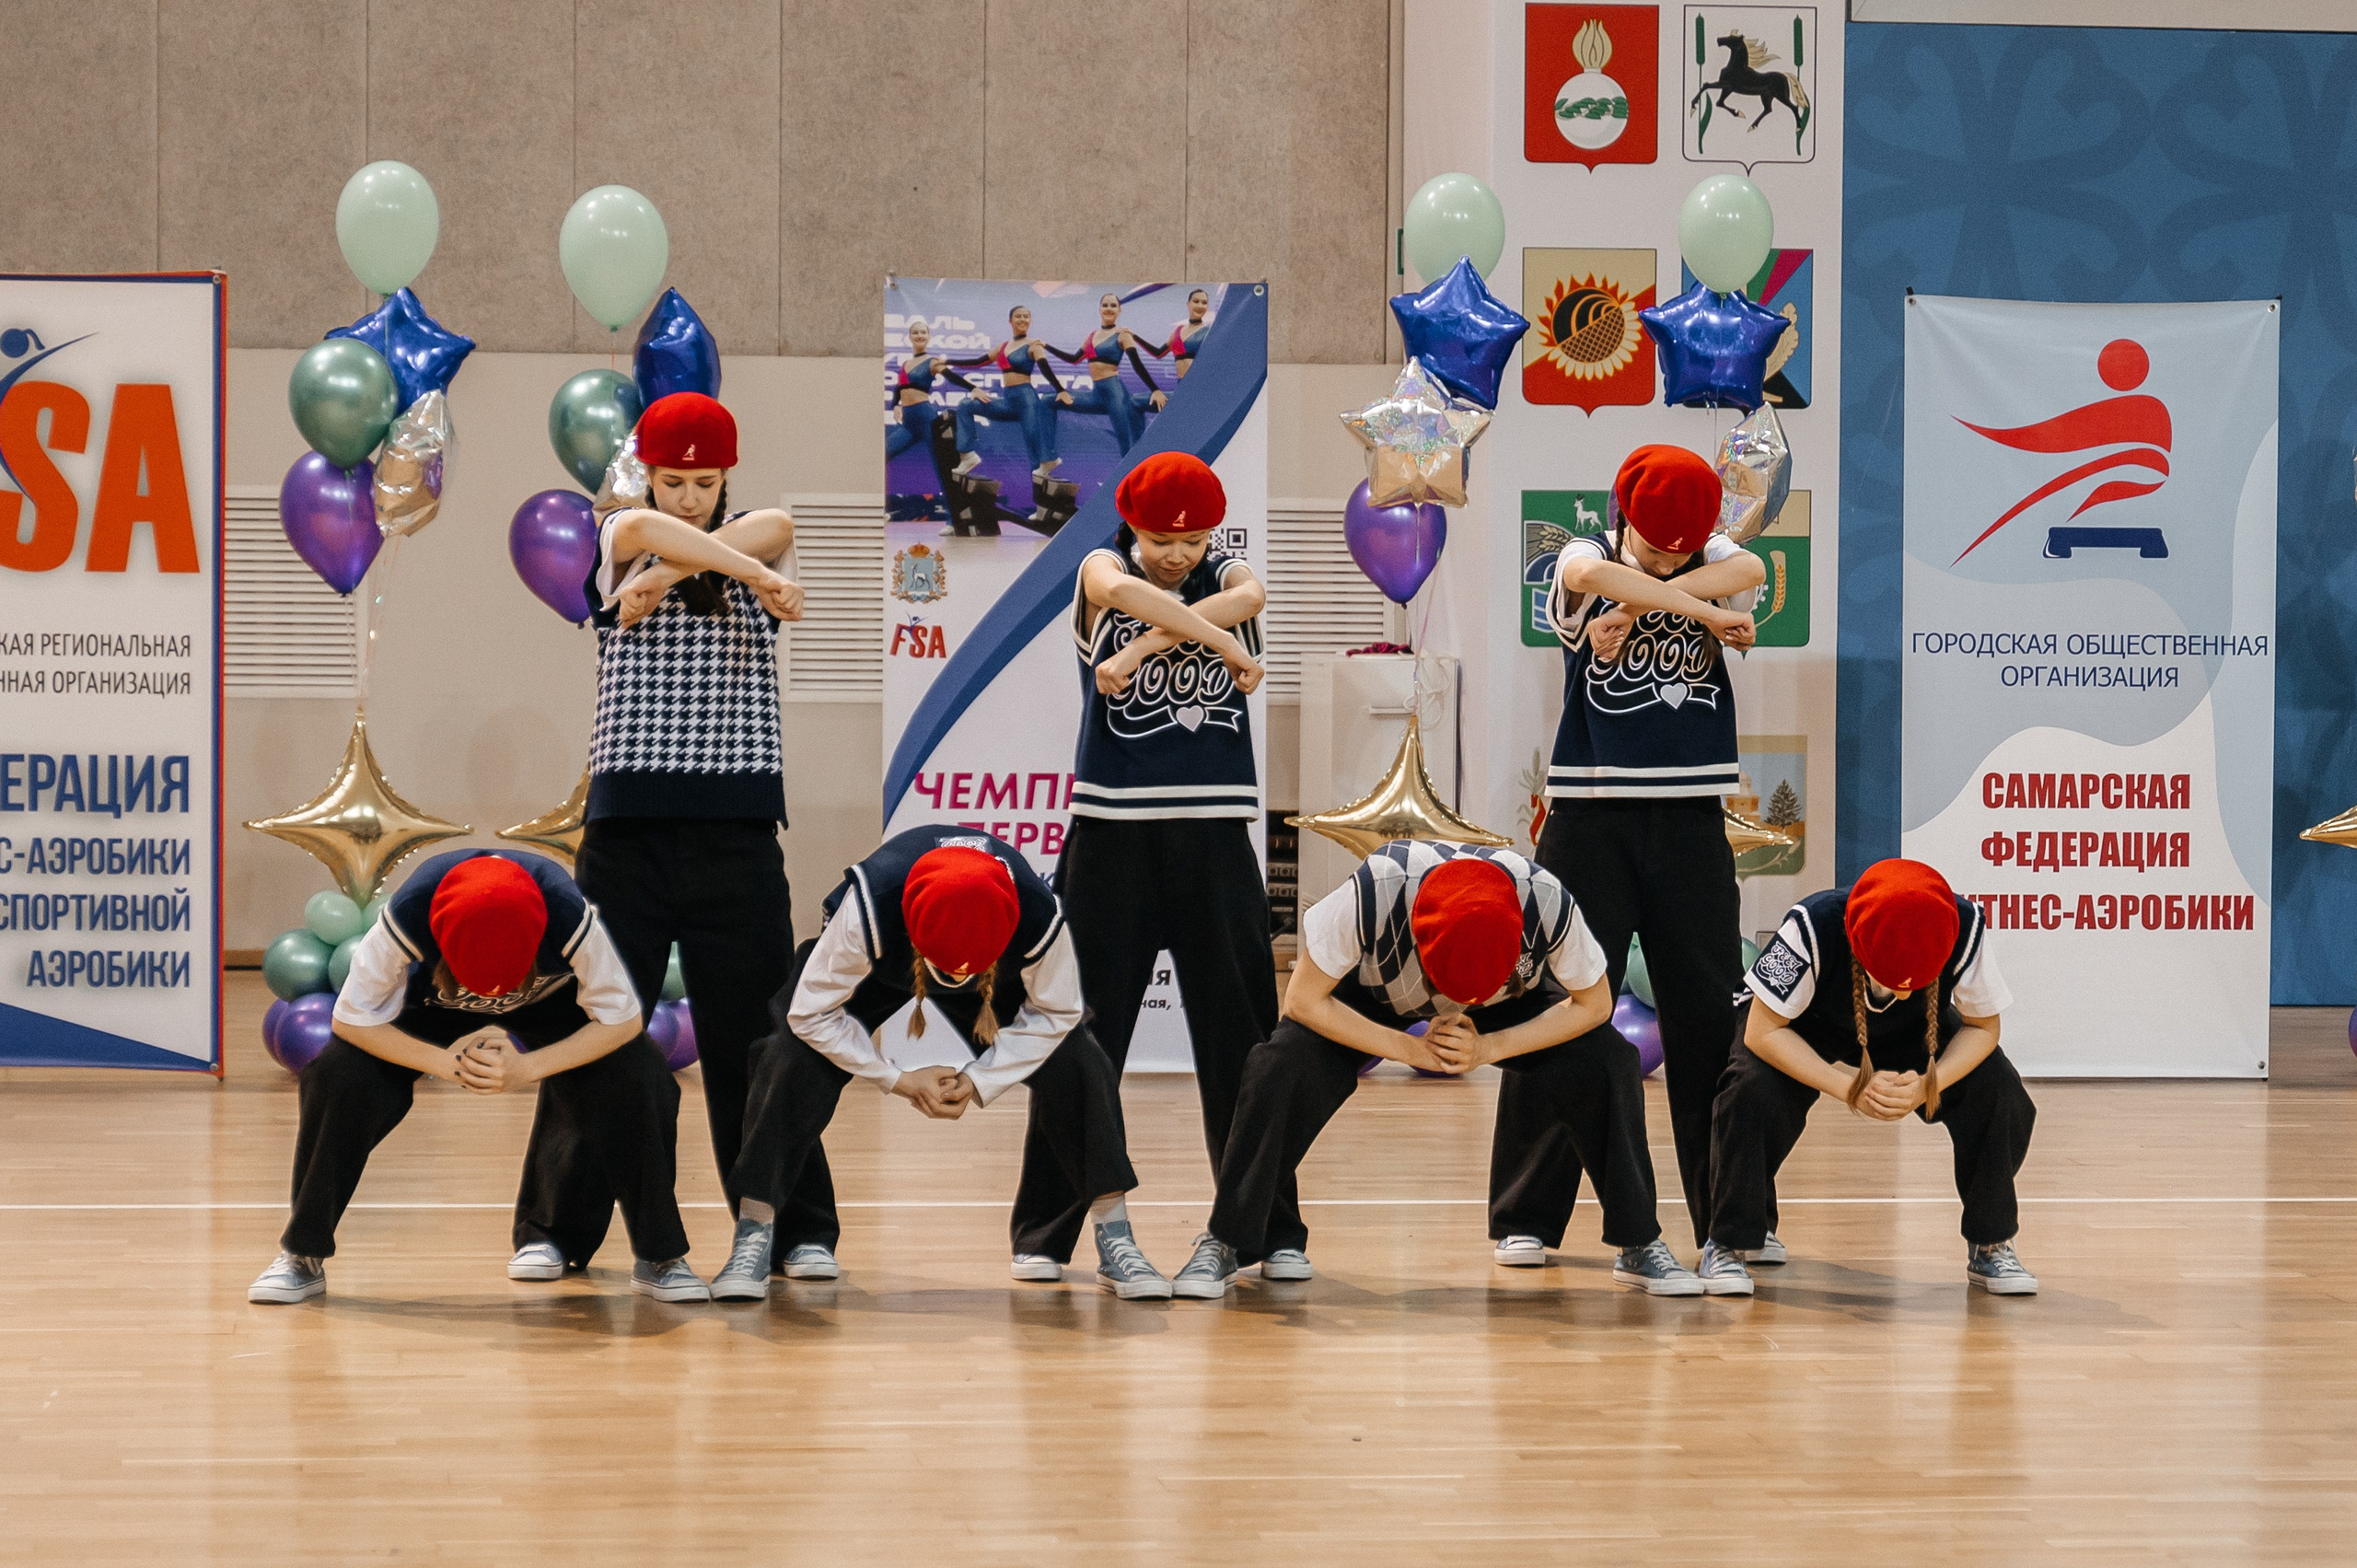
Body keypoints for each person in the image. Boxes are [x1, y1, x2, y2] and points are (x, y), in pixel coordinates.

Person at [508, 391, 805, 1282]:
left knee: (759, 1034)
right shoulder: (617, 530)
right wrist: (725, 573)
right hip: (628, 825)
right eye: (672, 481)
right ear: (650, 475)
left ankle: (789, 1226)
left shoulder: (762, 527)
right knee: (600, 1016)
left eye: (703, 482)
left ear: (727, 478)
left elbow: (766, 532)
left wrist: (677, 577)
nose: (685, 497)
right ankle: (556, 1228)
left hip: (740, 822)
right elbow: (647, 534)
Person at [1182, 841, 1697, 1298]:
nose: (1456, 1003)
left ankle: (1638, 1241)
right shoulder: (1375, 891)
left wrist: (1489, 1047)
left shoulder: (1547, 902)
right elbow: (1302, 1000)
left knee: (1608, 1060)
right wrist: (1410, 1050)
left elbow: (1595, 1005)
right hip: (1379, 993)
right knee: (1277, 1065)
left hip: (1505, 1000)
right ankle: (1235, 1236)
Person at [1490, 443, 1765, 1274]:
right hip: (1590, 821)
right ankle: (1529, 1212)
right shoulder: (1584, 558)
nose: (1671, 557)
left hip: (1689, 823)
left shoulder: (1710, 557)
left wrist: (1673, 596)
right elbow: (1598, 578)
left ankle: (1730, 1217)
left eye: (1685, 546)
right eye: (1654, 545)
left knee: (1710, 1017)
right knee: (1559, 1002)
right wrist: (1703, 615)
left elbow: (1747, 563)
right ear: (1625, 519)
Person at [714, 828, 1168, 1300]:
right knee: (787, 1057)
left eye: (967, 971)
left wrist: (979, 1080)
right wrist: (897, 1079)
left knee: (1080, 1060)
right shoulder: (871, 905)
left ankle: (1114, 1237)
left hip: (994, 979)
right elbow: (811, 1013)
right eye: (949, 969)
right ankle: (760, 1231)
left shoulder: (1036, 913)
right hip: (888, 966)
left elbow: (1059, 1013)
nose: (957, 979)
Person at [249, 852, 708, 1305]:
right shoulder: (412, 910)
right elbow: (351, 1019)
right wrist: (448, 1064)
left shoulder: (566, 911)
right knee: (337, 1075)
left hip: (550, 1000)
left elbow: (621, 1020)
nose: (495, 998)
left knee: (640, 1074)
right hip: (431, 1003)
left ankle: (658, 1257)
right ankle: (302, 1254)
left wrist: (529, 1068)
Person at [1024, 451, 1274, 1283]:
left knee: (1243, 1042)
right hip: (1111, 838)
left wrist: (1142, 656)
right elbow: (1126, 594)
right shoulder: (1100, 567)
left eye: (1193, 539)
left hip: (1214, 837)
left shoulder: (1229, 574)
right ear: (1131, 526)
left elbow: (1251, 596)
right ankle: (1045, 1231)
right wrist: (1200, 640)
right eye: (1163, 538)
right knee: (1082, 1036)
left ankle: (1268, 1228)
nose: (1177, 554)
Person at [1700, 858, 2038, 1296]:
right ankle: (1729, 1241)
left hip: (1911, 1029)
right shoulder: (1811, 925)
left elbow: (1984, 1028)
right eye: (1892, 980)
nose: (1901, 992)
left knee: (1998, 1089)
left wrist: (1927, 1086)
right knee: (1749, 1089)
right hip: (1802, 1020)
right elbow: (1761, 1032)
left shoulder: (1963, 924)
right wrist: (1848, 1088)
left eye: (1912, 984)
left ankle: (1990, 1241)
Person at [949, 303, 1067, 487]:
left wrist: (1060, 390)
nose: (1022, 319)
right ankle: (968, 456)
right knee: (966, 405)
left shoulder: (1033, 345)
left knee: (1035, 454)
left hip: (1027, 400)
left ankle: (1041, 508)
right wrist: (948, 361)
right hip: (1008, 401)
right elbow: (977, 362)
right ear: (1010, 320)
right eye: (1018, 316)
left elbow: (1045, 369)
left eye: (1026, 316)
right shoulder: (1002, 347)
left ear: (1030, 321)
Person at [1046, 293, 1164, 454]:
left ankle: (1130, 477)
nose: (1109, 309)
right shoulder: (1092, 336)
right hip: (1096, 395)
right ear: (1099, 309)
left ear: (1119, 311)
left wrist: (1154, 389)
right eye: (1105, 305)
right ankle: (1048, 457)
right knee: (1048, 401)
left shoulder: (1123, 335)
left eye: (1113, 306)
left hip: (1115, 394)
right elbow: (1073, 359)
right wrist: (1046, 347)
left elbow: (1137, 364)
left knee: (1127, 443)